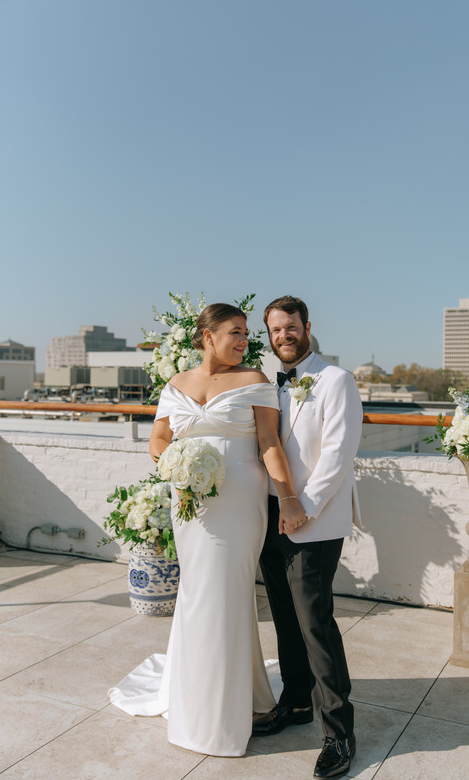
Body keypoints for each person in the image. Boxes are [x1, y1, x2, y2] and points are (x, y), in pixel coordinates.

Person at [108, 303, 307, 757]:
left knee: (226, 594)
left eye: (245, 334)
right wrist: (173, 463)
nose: (244, 341)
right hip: (189, 504)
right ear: (206, 336)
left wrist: (290, 497)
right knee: (197, 593)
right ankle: (200, 695)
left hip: (239, 503)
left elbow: (270, 443)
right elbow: (159, 438)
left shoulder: (255, 380)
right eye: (234, 332)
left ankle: (219, 713)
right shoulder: (177, 383)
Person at [252, 296, 363, 780]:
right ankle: (296, 703)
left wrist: (303, 509)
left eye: (290, 327)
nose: (283, 336)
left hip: (313, 522)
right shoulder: (264, 382)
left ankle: (339, 733)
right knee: (284, 619)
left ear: (307, 327)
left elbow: (338, 455)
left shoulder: (336, 380)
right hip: (269, 519)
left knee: (315, 624)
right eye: (275, 330)